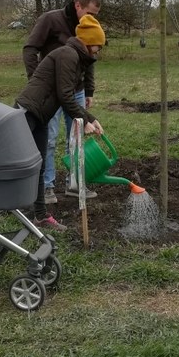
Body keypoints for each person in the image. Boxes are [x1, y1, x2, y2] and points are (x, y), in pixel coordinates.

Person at [16, 14, 106, 231]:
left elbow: (67, 95)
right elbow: (65, 95)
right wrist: (84, 120)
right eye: (98, 46)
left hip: (41, 115)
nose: (99, 50)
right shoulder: (68, 55)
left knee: (38, 166)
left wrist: (91, 118)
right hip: (28, 113)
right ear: (88, 41)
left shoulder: (75, 58)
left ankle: (40, 216)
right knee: (15, 166)